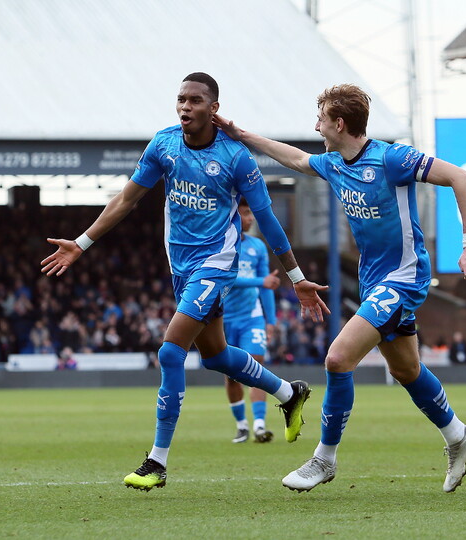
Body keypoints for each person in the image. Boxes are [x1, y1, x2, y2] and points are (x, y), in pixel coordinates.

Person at [40, 72, 329, 491]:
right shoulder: (164, 145)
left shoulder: (236, 158)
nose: (185, 107)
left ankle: (156, 462)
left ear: (214, 109)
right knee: (214, 357)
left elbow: (267, 219)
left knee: (170, 352)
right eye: (181, 99)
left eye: (195, 100)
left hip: (216, 264)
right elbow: (127, 199)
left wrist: (297, 277)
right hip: (181, 266)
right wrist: (82, 244)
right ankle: (289, 393)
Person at [214, 83, 466, 493]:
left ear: (339, 123)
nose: (315, 124)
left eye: (320, 117)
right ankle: (458, 435)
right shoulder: (335, 163)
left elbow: (462, 178)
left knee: (338, 359)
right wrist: (243, 135)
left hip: (404, 278)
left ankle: (324, 458)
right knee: (406, 370)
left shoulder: (392, 158)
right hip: (375, 280)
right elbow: (298, 160)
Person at [223, 198, 280, 443]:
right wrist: (261, 282)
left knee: (256, 367)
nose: (250, 218)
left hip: (252, 317)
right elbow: (226, 279)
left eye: (250, 213)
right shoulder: (221, 245)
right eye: (246, 214)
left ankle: (259, 425)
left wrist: (271, 320)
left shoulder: (258, 246)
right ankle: (242, 425)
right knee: (231, 375)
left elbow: (267, 286)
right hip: (223, 319)